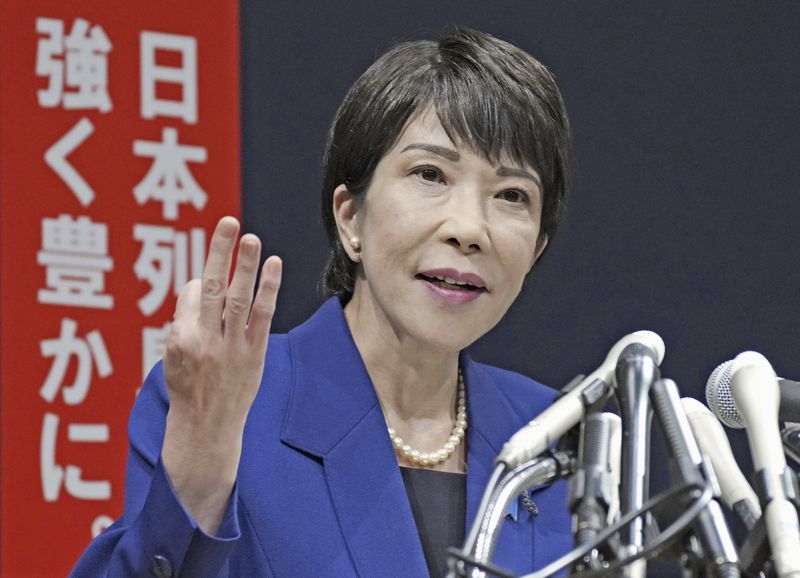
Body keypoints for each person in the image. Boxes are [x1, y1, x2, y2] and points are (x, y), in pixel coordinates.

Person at [71, 26, 572, 578]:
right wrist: (202, 465)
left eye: (511, 196)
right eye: (430, 174)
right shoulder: (232, 398)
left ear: (536, 248)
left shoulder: (559, 436)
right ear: (350, 218)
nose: (469, 228)